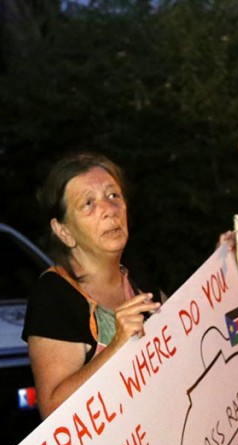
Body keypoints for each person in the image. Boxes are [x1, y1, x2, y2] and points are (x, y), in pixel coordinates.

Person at [24, 152, 160, 417]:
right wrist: (117, 344)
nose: (109, 210)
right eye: (88, 203)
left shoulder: (141, 279)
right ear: (64, 232)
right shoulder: (54, 296)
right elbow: (52, 409)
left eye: (113, 196)